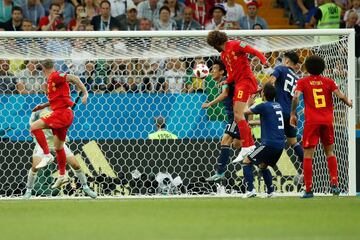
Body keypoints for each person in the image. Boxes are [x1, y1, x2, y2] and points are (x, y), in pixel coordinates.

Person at [290, 55, 352, 198]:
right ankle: (335, 184)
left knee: (308, 155)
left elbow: (296, 97)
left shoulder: (303, 81)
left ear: (307, 68)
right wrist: (349, 103)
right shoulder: (329, 81)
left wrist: (293, 113)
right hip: (327, 121)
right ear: (323, 67)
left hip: (312, 122)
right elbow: (341, 95)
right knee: (329, 152)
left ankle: (309, 189)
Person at [206, 30, 269, 163]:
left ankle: (247, 146)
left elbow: (254, 51)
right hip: (239, 83)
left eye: (213, 45)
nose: (214, 48)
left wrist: (263, 61)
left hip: (246, 81)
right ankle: (249, 145)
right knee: (237, 114)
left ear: (215, 43)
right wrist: (226, 81)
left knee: (239, 114)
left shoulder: (236, 45)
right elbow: (232, 74)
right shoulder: (223, 55)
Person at [29, 59, 89, 188]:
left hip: (61, 114)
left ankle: (46, 155)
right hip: (64, 113)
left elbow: (73, 77)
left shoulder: (56, 76)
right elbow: (59, 98)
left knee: (34, 126)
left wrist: (85, 93)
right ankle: (62, 175)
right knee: (58, 147)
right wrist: (43, 105)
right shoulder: (52, 80)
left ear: (42, 69)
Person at [24, 107, 97, 199]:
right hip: (43, 143)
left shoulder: (65, 109)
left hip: (58, 141)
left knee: (76, 165)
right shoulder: (38, 111)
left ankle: (86, 187)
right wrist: (34, 135)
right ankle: (28, 190)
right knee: (35, 167)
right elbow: (32, 124)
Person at [241, 83, 285, 198]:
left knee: (246, 161)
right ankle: (271, 191)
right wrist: (253, 123)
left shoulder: (263, 106)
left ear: (263, 94)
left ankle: (250, 190)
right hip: (280, 145)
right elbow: (270, 120)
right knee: (263, 165)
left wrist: (248, 102)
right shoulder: (277, 105)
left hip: (269, 144)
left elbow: (245, 111)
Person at [202, 60, 241, 181]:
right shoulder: (223, 82)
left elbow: (224, 94)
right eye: (211, 69)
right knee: (237, 144)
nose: (212, 71)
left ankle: (220, 172)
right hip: (233, 116)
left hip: (236, 116)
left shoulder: (225, 82)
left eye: (214, 69)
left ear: (222, 71)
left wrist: (210, 104)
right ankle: (259, 155)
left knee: (225, 140)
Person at [268, 51, 304, 176]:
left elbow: (271, 81)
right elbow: (297, 97)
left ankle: (264, 165)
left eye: (283, 59)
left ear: (287, 61)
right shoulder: (298, 78)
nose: (282, 61)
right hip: (292, 113)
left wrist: (263, 93)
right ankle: (307, 164)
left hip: (279, 110)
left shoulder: (281, 69)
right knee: (293, 142)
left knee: (274, 140)